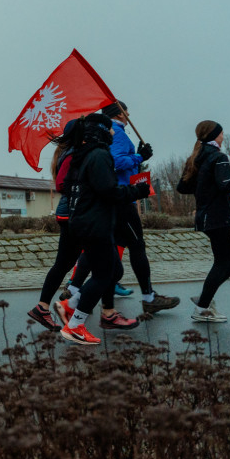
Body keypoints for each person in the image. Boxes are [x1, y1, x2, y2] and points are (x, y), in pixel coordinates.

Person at [68, 102, 179, 314]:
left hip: (117, 198)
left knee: (106, 255)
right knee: (136, 246)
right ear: (119, 113)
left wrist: (138, 157)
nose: (128, 114)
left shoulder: (114, 133)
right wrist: (140, 157)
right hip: (121, 197)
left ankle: (78, 294)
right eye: (126, 110)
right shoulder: (117, 132)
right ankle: (148, 297)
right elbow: (117, 161)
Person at [56, 114, 151, 345]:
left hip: (85, 221)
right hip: (94, 223)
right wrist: (138, 191)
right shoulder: (99, 155)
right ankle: (75, 325)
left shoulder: (82, 154)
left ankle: (72, 304)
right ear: (100, 130)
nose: (113, 133)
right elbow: (109, 191)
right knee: (104, 275)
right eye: (109, 129)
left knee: (114, 270)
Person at [176, 121, 230, 322]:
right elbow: (226, 186)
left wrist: (204, 188)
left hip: (206, 217)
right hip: (218, 217)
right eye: (221, 133)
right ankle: (202, 308)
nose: (223, 136)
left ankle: (204, 298)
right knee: (223, 262)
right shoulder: (219, 157)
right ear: (215, 135)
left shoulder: (196, 156)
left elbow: (182, 187)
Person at [28, 120, 78, 331]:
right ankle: (70, 305)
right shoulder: (72, 153)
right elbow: (61, 184)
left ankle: (48, 306)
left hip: (71, 213)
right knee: (99, 263)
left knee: (67, 263)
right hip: (72, 214)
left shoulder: (67, 152)